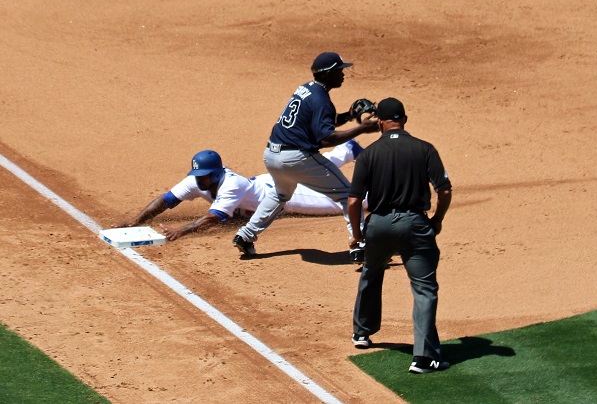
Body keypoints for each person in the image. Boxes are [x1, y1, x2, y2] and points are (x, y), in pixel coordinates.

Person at [233, 52, 379, 261]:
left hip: (273, 156)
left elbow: (322, 121)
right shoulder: (321, 100)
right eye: (340, 70)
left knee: (280, 195)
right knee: (347, 195)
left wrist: (348, 116)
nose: (344, 74)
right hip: (295, 158)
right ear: (328, 74)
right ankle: (360, 245)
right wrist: (362, 129)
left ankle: (246, 235)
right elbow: (327, 138)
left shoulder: (307, 89)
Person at [347, 97, 452, 374]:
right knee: (424, 289)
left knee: (371, 270)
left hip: (379, 226)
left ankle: (361, 333)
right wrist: (437, 220)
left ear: (380, 122)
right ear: (404, 119)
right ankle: (425, 358)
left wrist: (357, 234)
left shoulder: (368, 154)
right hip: (415, 225)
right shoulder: (425, 149)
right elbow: (444, 190)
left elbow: (354, 202)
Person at [112, 141, 364, 241]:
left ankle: (383, 190)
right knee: (315, 169)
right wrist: (136, 221)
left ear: (215, 174)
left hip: (286, 197)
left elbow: (212, 218)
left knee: (341, 201)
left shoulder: (231, 185)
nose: (198, 181)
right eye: (196, 176)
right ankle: (348, 149)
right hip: (269, 182)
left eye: (203, 177)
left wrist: (181, 230)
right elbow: (165, 201)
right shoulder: (197, 180)